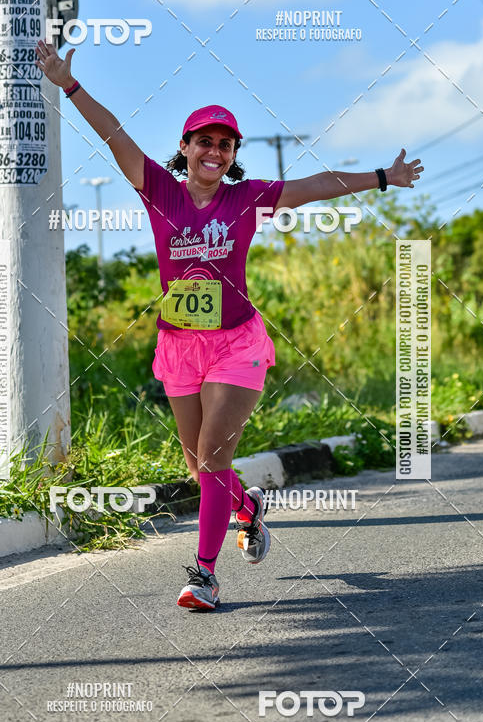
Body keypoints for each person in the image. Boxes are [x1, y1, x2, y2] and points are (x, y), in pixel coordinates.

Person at [35, 40, 423, 612]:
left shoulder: (247, 200)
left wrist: (382, 177)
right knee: (198, 464)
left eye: (224, 143)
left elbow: (316, 186)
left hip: (236, 344)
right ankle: (250, 507)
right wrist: (69, 85)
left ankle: (205, 575)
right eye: (203, 142)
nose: (213, 151)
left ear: (233, 152)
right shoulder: (159, 190)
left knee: (213, 452)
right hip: (179, 346)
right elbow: (113, 133)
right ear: (186, 148)